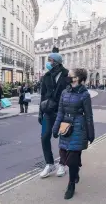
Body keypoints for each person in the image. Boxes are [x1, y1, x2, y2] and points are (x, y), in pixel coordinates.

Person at [52, 68, 95, 200]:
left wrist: (90, 133)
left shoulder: (85, 94)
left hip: (78, 127)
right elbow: (60, 112)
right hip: (66, 126)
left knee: (72, 158)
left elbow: (88, 115)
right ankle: (75, 170)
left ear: (77, 78)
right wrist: (55, 127)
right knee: (64, 156)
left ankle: (71, 185)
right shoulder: (65, 92)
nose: (68, 77)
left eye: (71, 75)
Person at [38, 52, 71, 178]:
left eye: (50, 60)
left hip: (63, 111)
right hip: (48, 111)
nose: (48, 63)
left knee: (64, 138)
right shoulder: (46, 76)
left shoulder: (67, 74)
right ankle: (49, 163)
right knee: (44, 136)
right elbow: (43, 95)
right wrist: (40, 113)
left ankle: (62, 164)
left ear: (57, 62)